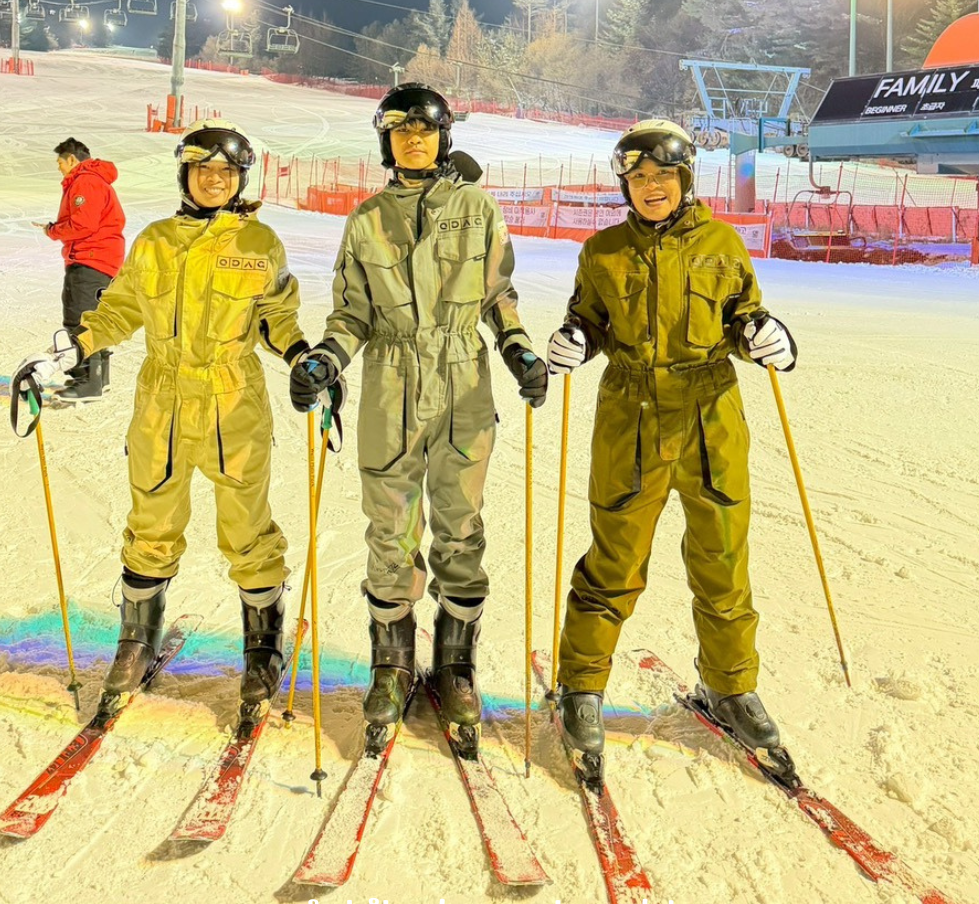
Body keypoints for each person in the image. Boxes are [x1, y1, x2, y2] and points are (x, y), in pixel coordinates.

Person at [288, 84, 544, 749]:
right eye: (399, 130)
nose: (412, 140)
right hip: (390, 381)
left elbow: (497, 295)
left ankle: (455, 667)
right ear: (386, 140)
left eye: (424, 130)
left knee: (460, 525)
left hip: (462, 380)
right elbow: (351, 313)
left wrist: (516, 348)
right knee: (390, 528)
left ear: (442, 136)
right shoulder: (367, 218)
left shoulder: (476, 207)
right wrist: (326, 359)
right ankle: (392, 665)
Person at [542, 119, 799, 778]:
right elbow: (589, 320)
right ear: (624, 186)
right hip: (631, 415)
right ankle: (582, 686)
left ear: (684, 180)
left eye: (662, 176)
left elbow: (744, 317)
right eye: (638, 177)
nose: (650, 187)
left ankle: (730, 686)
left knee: (723, 555)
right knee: (614, 557)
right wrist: (576, 340)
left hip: (710, 415)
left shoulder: (722, 244)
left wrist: (766, 336)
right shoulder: (602, 251)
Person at [54, 122, 309, 714]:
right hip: (161, 400)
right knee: (151, 518)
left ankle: (262, 647)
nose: (214, 181)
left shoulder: (259, 243)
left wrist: (303, 356)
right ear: (185, 175)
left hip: (232, 400)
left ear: (240, 179)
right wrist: (75, 346)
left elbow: (277, 317)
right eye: (203, 170)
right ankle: (137, 638)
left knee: (247, 526)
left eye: (226, 172)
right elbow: (118, 309)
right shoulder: (154, 241)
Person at [44, 137, 125, 403]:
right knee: (93, 316)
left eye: (60, 162)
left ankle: (88, 382)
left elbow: (83, 224)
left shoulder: (85, 181)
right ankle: (98, 378)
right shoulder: (93, 179)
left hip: (90, 257)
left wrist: (53, 230)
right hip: (101, 257)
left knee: (79, 318)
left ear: (71, 159)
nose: (59, 168)